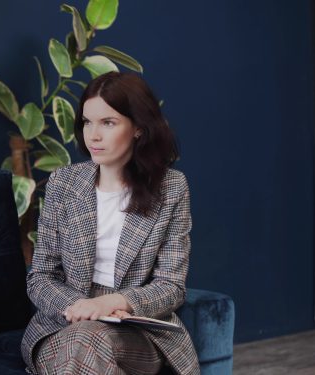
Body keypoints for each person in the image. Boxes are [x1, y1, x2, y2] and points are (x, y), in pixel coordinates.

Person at [20, 71, 200, 374]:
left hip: (135, 333)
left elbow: (171, 287)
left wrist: (115, 302)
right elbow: (40, 276)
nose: (93, 135)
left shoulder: (171, 188)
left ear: (139, 128)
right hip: (61, 325)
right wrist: (80, 308)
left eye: (108, 123)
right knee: (83, 340)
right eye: (87, 122)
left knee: (85, 345)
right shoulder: (64, 183)